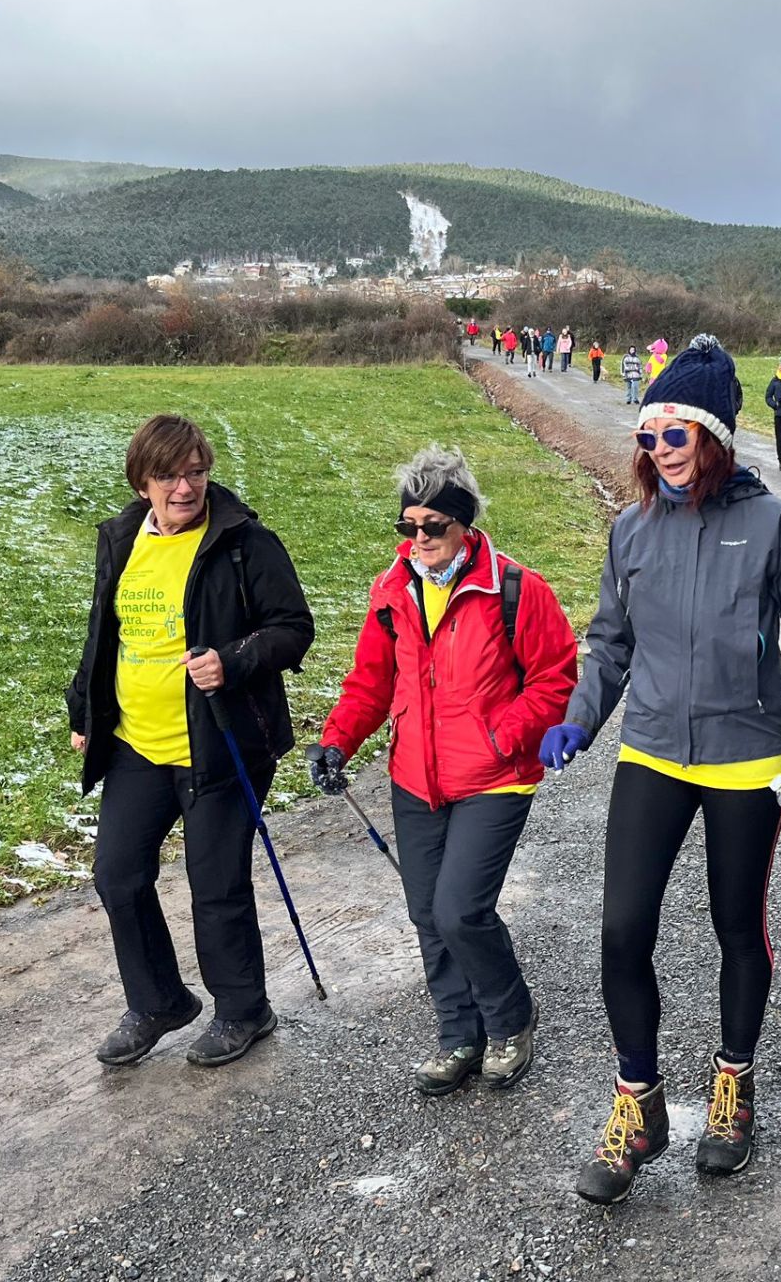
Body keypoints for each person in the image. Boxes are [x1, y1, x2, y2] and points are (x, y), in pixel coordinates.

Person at [538, 336, 781, 1205]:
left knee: (734, 929)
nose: (660, 452)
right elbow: (610, 641)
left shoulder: (773, 526)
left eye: (676, 435)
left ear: (714, 436)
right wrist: (577, 718)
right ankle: (638, 1103)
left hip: (746, 758)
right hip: (649, 749)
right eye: (648, 437)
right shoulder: (632, 530)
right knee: (621, 929)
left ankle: (732, 1088)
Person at [309, 448, 577, 1094]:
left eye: (434, 525)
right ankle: (459, 1035)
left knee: (460, 910)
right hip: (415, 776)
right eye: (409, 526)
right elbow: (370, 682)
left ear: (464, 524)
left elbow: (555, 677)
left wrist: (503, 737)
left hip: (495, 778)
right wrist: (338, 740)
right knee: (427, 913)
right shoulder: (392, 591)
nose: (420, 538)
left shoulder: (515, 588)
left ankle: (511, 1019)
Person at [68, 414, 315, 1069]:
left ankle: (243, 1010)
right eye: (170, 475)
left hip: (221, 743)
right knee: (117, 875)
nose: (186, 487)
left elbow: (293, 627)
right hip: (137, 746)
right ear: (143, 480)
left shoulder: (243, 542)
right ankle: (158, 1003)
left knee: (217, 885)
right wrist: (83, 709)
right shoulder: (122, 538)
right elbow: (105, 633)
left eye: (197, 472)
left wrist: (232, 660)